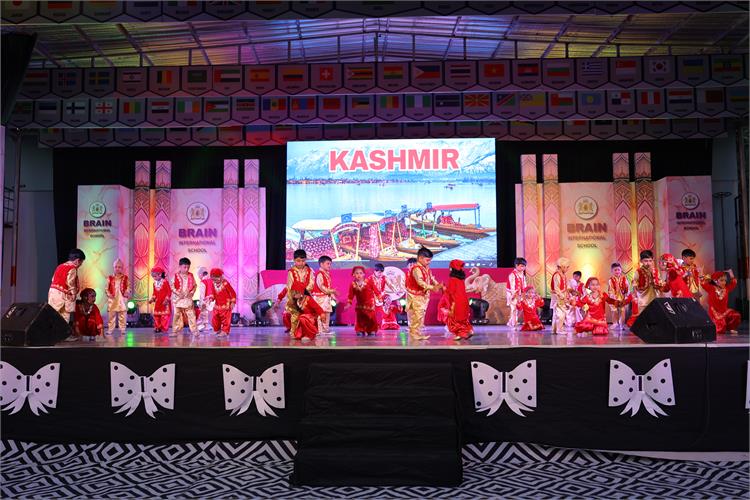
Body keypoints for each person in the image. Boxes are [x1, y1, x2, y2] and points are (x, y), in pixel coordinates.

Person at [405, 247, 443, 340]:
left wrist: (438, 285)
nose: (429, 262)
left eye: (430, 260)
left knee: (421, 315)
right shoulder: (416, 269)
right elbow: (420, 282)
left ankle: (417, 332)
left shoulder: (426, 267)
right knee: (417, 314)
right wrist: (432, 287)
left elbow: (431, 278)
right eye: (427, 260)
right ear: (420, 258)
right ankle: (413, 333)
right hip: (415, 295)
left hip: (423, 295)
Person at [627, 250, 663, 327]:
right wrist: (635, 295)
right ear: (641, 261)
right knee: (643, 315)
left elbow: (659, 281)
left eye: (650, 261)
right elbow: (634, 283)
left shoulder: (655, 271)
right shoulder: (638, 271)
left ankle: (652, 328)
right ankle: (643, 328)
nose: (648, 263)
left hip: (654, 295)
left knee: (653, 314)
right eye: (646, 261)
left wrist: (657, 281)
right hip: (642, 297)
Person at [438, 260, 473, 341]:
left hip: (456, 302)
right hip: (463, 300)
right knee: (463, 318)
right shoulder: (461, 280)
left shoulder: (452, 279)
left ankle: (461, 333)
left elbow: (450, 291)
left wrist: (443, 288)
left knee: (454, 319)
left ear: (452, 268)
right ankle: (468, 331)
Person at [48, 248, 85, 321]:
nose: (81, 265)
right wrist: (73, 294)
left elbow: (53, 279)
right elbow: (70, 282)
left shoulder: (60, 266)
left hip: (53, 293)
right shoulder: (72, 268)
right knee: (64, 316)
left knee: (52, 315)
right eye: (81, 262)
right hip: (62, 294)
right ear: (77, 261)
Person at [702, 269, 740, 334]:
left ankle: (731, 328)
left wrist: (731, 273)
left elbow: (733, 283)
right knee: (720, 330)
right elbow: (702, 283)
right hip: (715, 313)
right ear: (715, 281)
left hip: (724, 311)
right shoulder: (711, 288)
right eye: (721, 280)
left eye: (725, 280)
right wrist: (701, 272)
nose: (724, 282)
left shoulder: (726, 288)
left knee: (736, 315)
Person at [347, 266, 380, 336]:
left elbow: (376, 290)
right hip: (360, 304)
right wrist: (349, 303)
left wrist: (379, 297)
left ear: (364, 274)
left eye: (361, 273)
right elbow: (350, 295)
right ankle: (360, 329)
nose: (359, 275)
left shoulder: (369, 281)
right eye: (357, 273)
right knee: (360, 317)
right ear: (353, 274)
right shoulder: (352, 284)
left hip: (370, 303)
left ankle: (371, 330)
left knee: (370, 317)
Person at [172, 257, 198, 337]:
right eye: (185, 267)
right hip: (178, 299)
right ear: (180, 266)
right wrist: (178, 293)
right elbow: (172, 286)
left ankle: (194, 331)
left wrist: (192, 292)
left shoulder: (191, 275)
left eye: (188, 267)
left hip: (187, 298)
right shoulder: (176, 275)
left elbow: (195, 285)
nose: (186, 269)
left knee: (191, 314)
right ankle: (175, 331)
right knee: (177, 315)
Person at [207, 268, 236, 338]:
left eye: (216, 278)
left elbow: (232, 293)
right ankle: (217, 330)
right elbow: (213, 293)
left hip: (226, 305)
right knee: (215, 318)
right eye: (213, 278)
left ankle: (225, 331)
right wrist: (211, 298)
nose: (215, 280)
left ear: (220, 276)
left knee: (226, 319)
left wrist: (233, 302)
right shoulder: (213, 284)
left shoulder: (225, 283)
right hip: (217, 304)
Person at [312, 255, 336, 334]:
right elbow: (321, 286)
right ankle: (320, 330)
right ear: (321, 264)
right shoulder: (320, 274)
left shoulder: (326, 274)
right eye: (328, 263)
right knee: (321, 313)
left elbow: (328, 286)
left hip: (326, 297)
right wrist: (330, 291)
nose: (329, 265)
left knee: (327, 313)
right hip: (320, 297)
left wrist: (332, 295)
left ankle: (325, 329)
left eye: (330, 264)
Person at [105, 258, 130, 335]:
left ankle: (122, 329)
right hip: (113, 298)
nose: (117, 268)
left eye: (119, 267)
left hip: (122, 298)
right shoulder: (110, 277)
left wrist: (127, 291)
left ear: (122, 268)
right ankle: (110, 329)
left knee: (122, 314)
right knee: (111, 314)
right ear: (113, 267)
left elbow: (128, 286)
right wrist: (109, 294)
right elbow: (106, 288)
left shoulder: (125, 277)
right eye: (116, 267)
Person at [550, 257, 572, 334]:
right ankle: (559, 329)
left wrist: (568, 293)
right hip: (558, 296)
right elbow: (557, 288)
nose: (567, 269)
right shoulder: (557, 275)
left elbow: (565, 287)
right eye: (567, 267)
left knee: (557, 313)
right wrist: (563, 297)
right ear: (562, 266)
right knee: (560, 313)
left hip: (561, 295)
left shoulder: (562, 275)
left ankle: (555, 329)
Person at [607, 262, 631, 330]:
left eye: (618, 270)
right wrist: (613, 297)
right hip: (614, 298)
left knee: (622, 310)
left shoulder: (624, 278)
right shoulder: (611, 280)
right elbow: (610, 289)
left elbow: (627, 287)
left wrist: (626, 294)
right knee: (614, 310)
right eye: (615, 270)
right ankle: (615, 323)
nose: (617, 271)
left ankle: (621, 324)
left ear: (621, 270)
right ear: (612, 271)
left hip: (622, 297)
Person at [506, 257, 527, 328]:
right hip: (513, 294)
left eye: (524, 266)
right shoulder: (512, 274)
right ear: (516, 265)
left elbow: (524, 284)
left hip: (520, 293)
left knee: (519, 308)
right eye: (521, 266)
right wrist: (515, 295)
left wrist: (525, 293)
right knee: (514, 308)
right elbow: (512, 286)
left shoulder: (522, 274)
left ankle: (510, 322)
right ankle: (513, 324)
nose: (523, 268)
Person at [149, 267, 171, 333]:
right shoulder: (154, 283)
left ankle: (164, 328)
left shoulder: (165, 282)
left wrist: (166, 300)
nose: (154, 278)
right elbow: (154, 293)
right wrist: (152, 299)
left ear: (160, 274)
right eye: (153, 277)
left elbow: (169, 292)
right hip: (158, 302)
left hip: (164, 302)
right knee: (157, 316)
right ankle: (157, 327)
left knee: (164, 316)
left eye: (155, 276)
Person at [196, 267, 212, 332]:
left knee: (203, 314)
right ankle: (206, 326)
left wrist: (201, 302)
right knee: (206, 314)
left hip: (205, 300)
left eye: (198, 275)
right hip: (211, 300)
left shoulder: (203, 281)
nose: (199, 277)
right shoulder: (211, 280)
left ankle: (202, 326)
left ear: (201, 274)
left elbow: (202, 294)